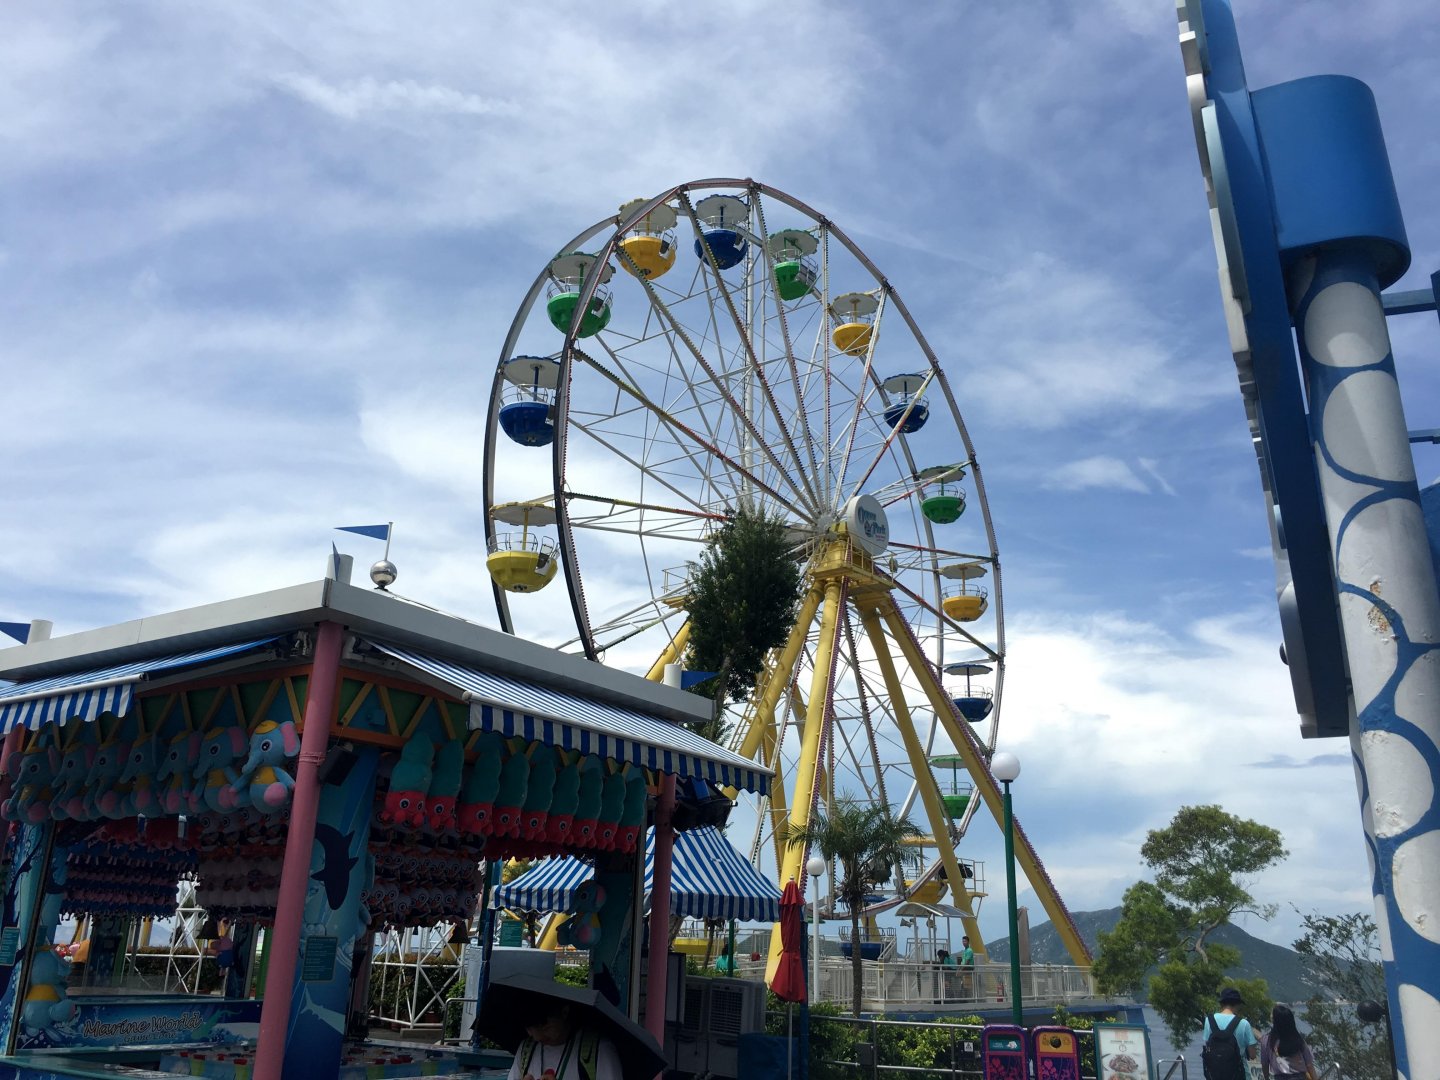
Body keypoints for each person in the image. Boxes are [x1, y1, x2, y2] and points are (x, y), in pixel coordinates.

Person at [507, 998, 622, 1080]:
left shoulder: (598, 1051)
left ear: (564, 1012)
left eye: (545, 1028)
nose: (538, 1037)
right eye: (530, 1030)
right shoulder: (526, 1050)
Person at [1200, 987, 1259, 1080]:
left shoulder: (1209, 1020)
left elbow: (1208, 1046)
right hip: (1238, 1075)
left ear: (1221, 1003)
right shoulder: (1243, 1023)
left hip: (1214, 1075)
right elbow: (1252, 1055)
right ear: (1237, 1004)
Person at [1259, 1004, 1316, 1080]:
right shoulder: (1298, 1039)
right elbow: (1309, 1065)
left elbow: (1265, 1064)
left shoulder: (1267, 1040)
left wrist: (1266, 1078)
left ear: (1274, 1020)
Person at [958, 935, 975, 1000]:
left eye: (965, 941)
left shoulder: (969, 951)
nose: (963, 942)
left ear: (968, 942)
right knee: (963, 983)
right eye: (963, 941)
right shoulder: (964, 951)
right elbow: (963, 962)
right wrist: (959, 969)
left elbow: (967, 962)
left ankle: (965, 997)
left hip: (968, 968)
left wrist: (961, 971)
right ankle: (963, 996)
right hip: (964, 968)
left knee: (966, 984)